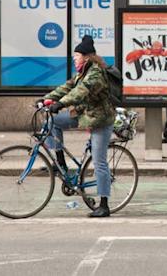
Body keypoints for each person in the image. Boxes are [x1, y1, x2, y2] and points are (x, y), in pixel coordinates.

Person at [44, 35, 116, 218]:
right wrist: (47, 98)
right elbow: (68, 86)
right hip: (84, 114)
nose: (74, 59)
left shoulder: (95, 73)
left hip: (100, 120)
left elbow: (79, 92)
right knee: (52, 122)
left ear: (86, 56)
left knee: (99, 162)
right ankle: (60, 163)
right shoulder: (83, 72)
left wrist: (60, 104)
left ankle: (104, 204)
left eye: (76, 56)